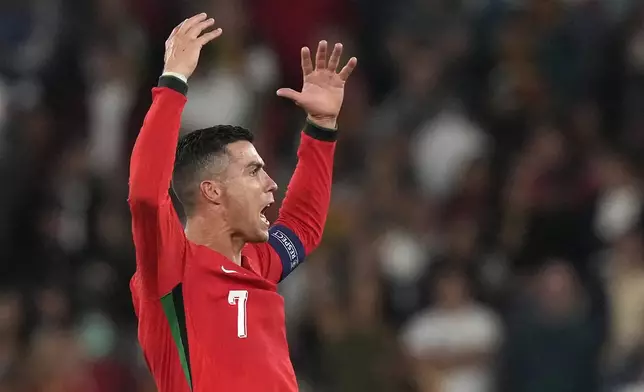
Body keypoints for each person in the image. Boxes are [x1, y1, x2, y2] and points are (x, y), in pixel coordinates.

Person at [128, 12, 357, 392]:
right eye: (253, 171)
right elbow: (146, 196)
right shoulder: (171, 267)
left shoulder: (257, 263)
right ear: (212, 190)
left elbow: (303, 227)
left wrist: (321, 127)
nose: (271, 184)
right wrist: (173, 82)